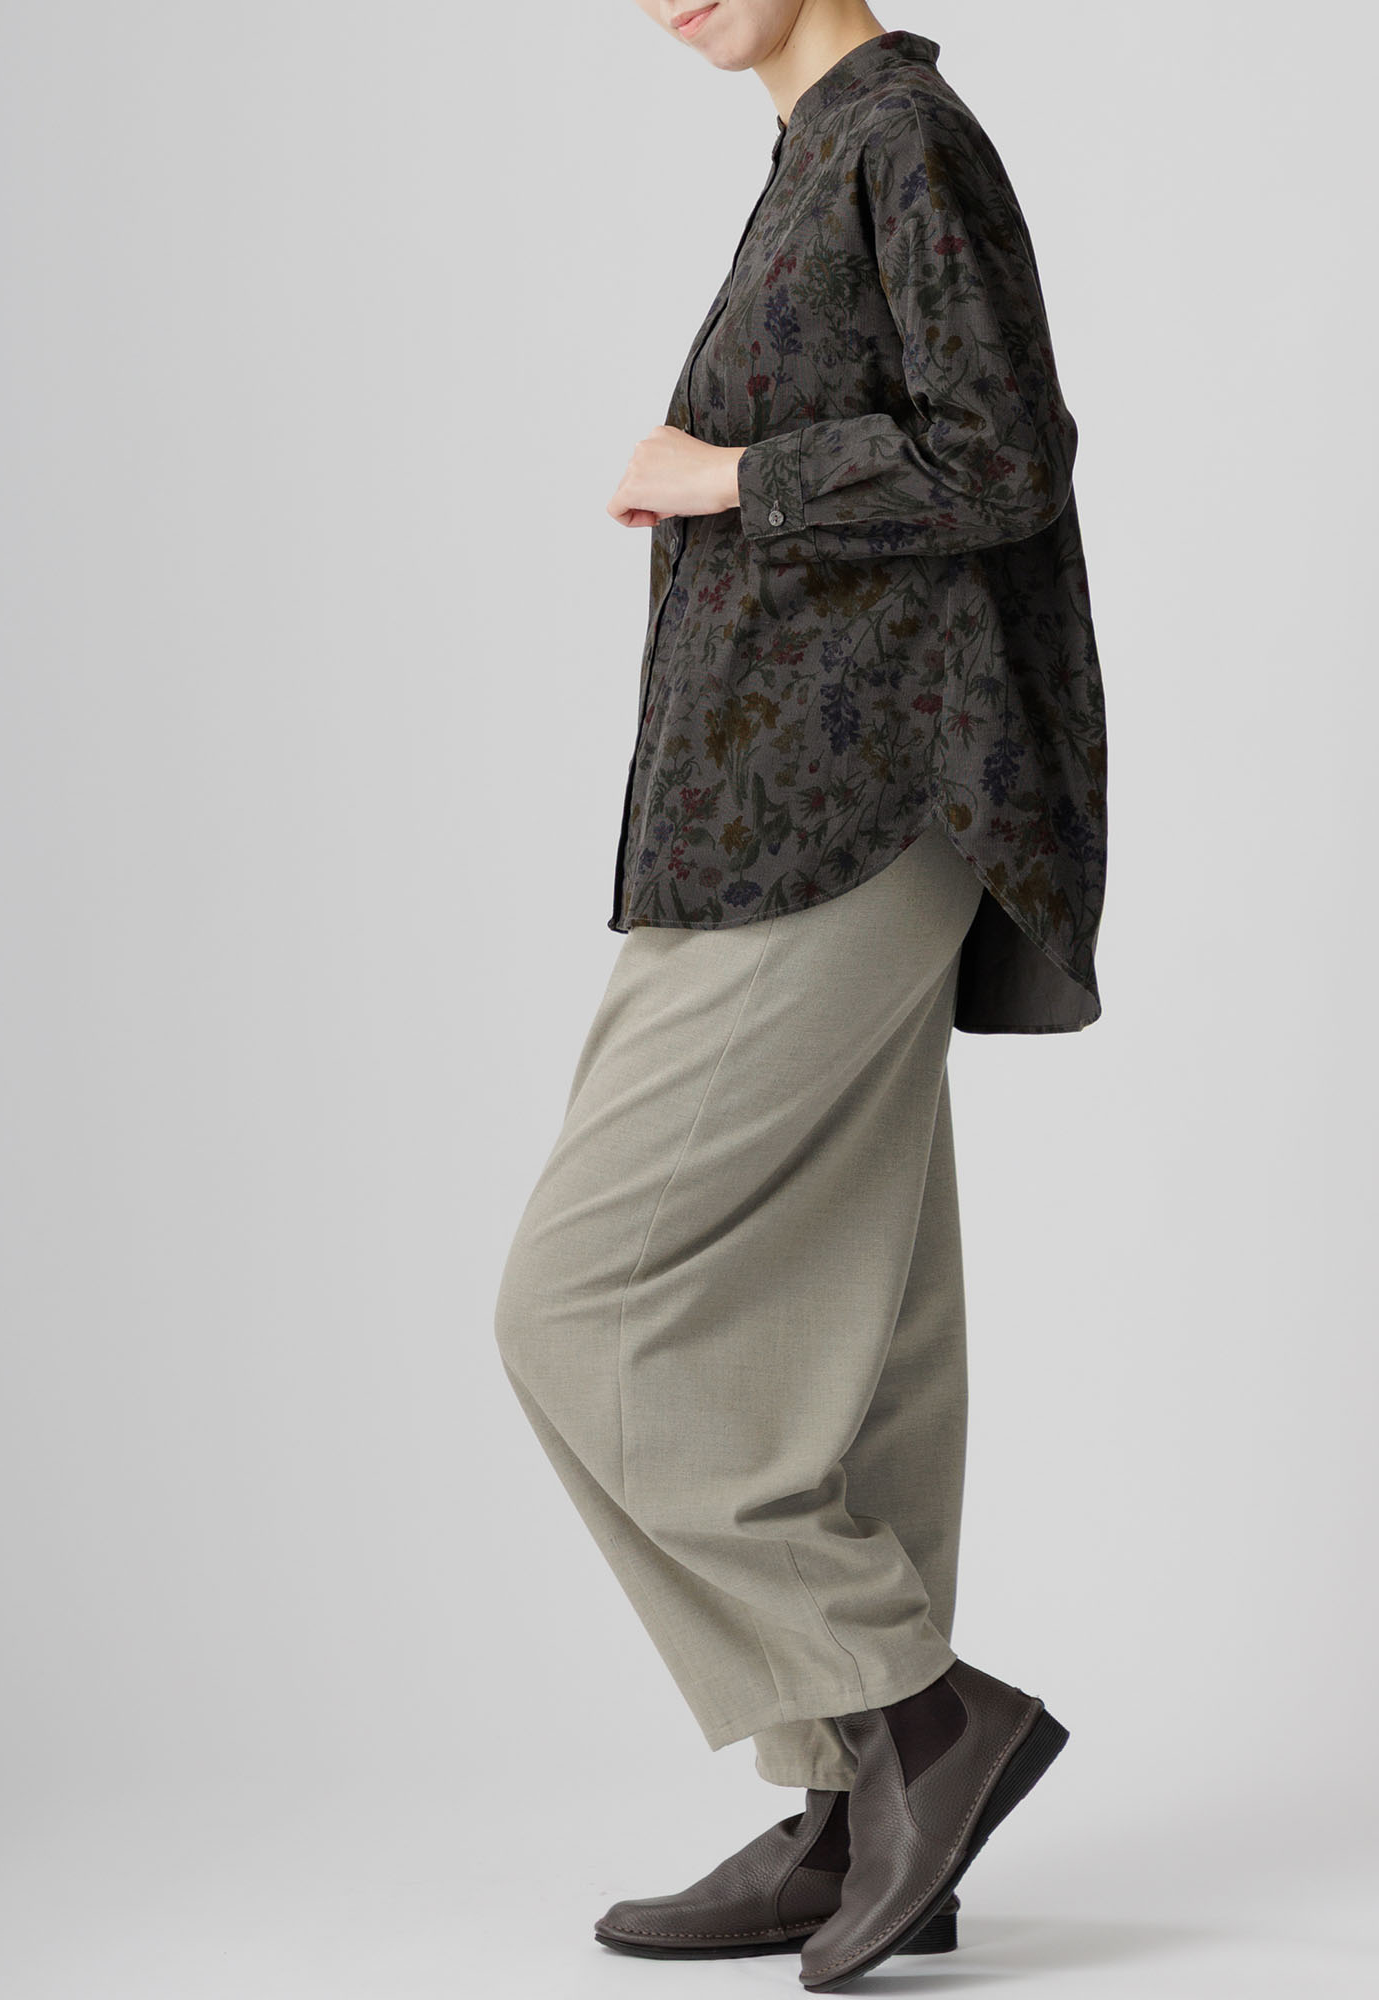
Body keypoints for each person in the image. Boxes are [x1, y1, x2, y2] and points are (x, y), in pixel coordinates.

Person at [492, 3, 1106, 1986]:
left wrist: (726, 475)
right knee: (851, 1316)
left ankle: (919, 1718)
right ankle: (856, 1806)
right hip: (787, 811)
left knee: (574, 1304)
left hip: (842, 806)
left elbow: (1001, 456)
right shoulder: (823, 147)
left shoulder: (899, 140)